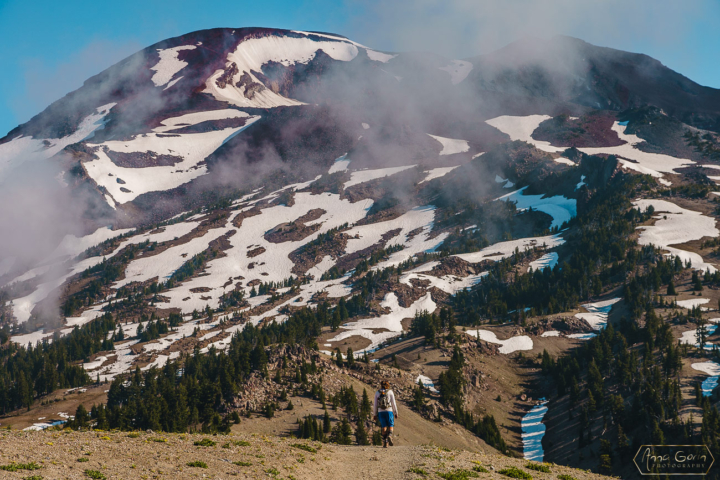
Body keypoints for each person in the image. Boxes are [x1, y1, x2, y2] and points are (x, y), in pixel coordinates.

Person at [373, 380, 399, 448]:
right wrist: (395, 412)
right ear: (388, 385)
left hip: (381, 412)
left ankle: (385, 442)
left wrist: (375, 414)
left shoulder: (377, 393)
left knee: (383, 427)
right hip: (389, 411)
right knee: (391, 425)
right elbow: (393, 403)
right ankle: (390, 435)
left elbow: (375, 405)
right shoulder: (390, 392)